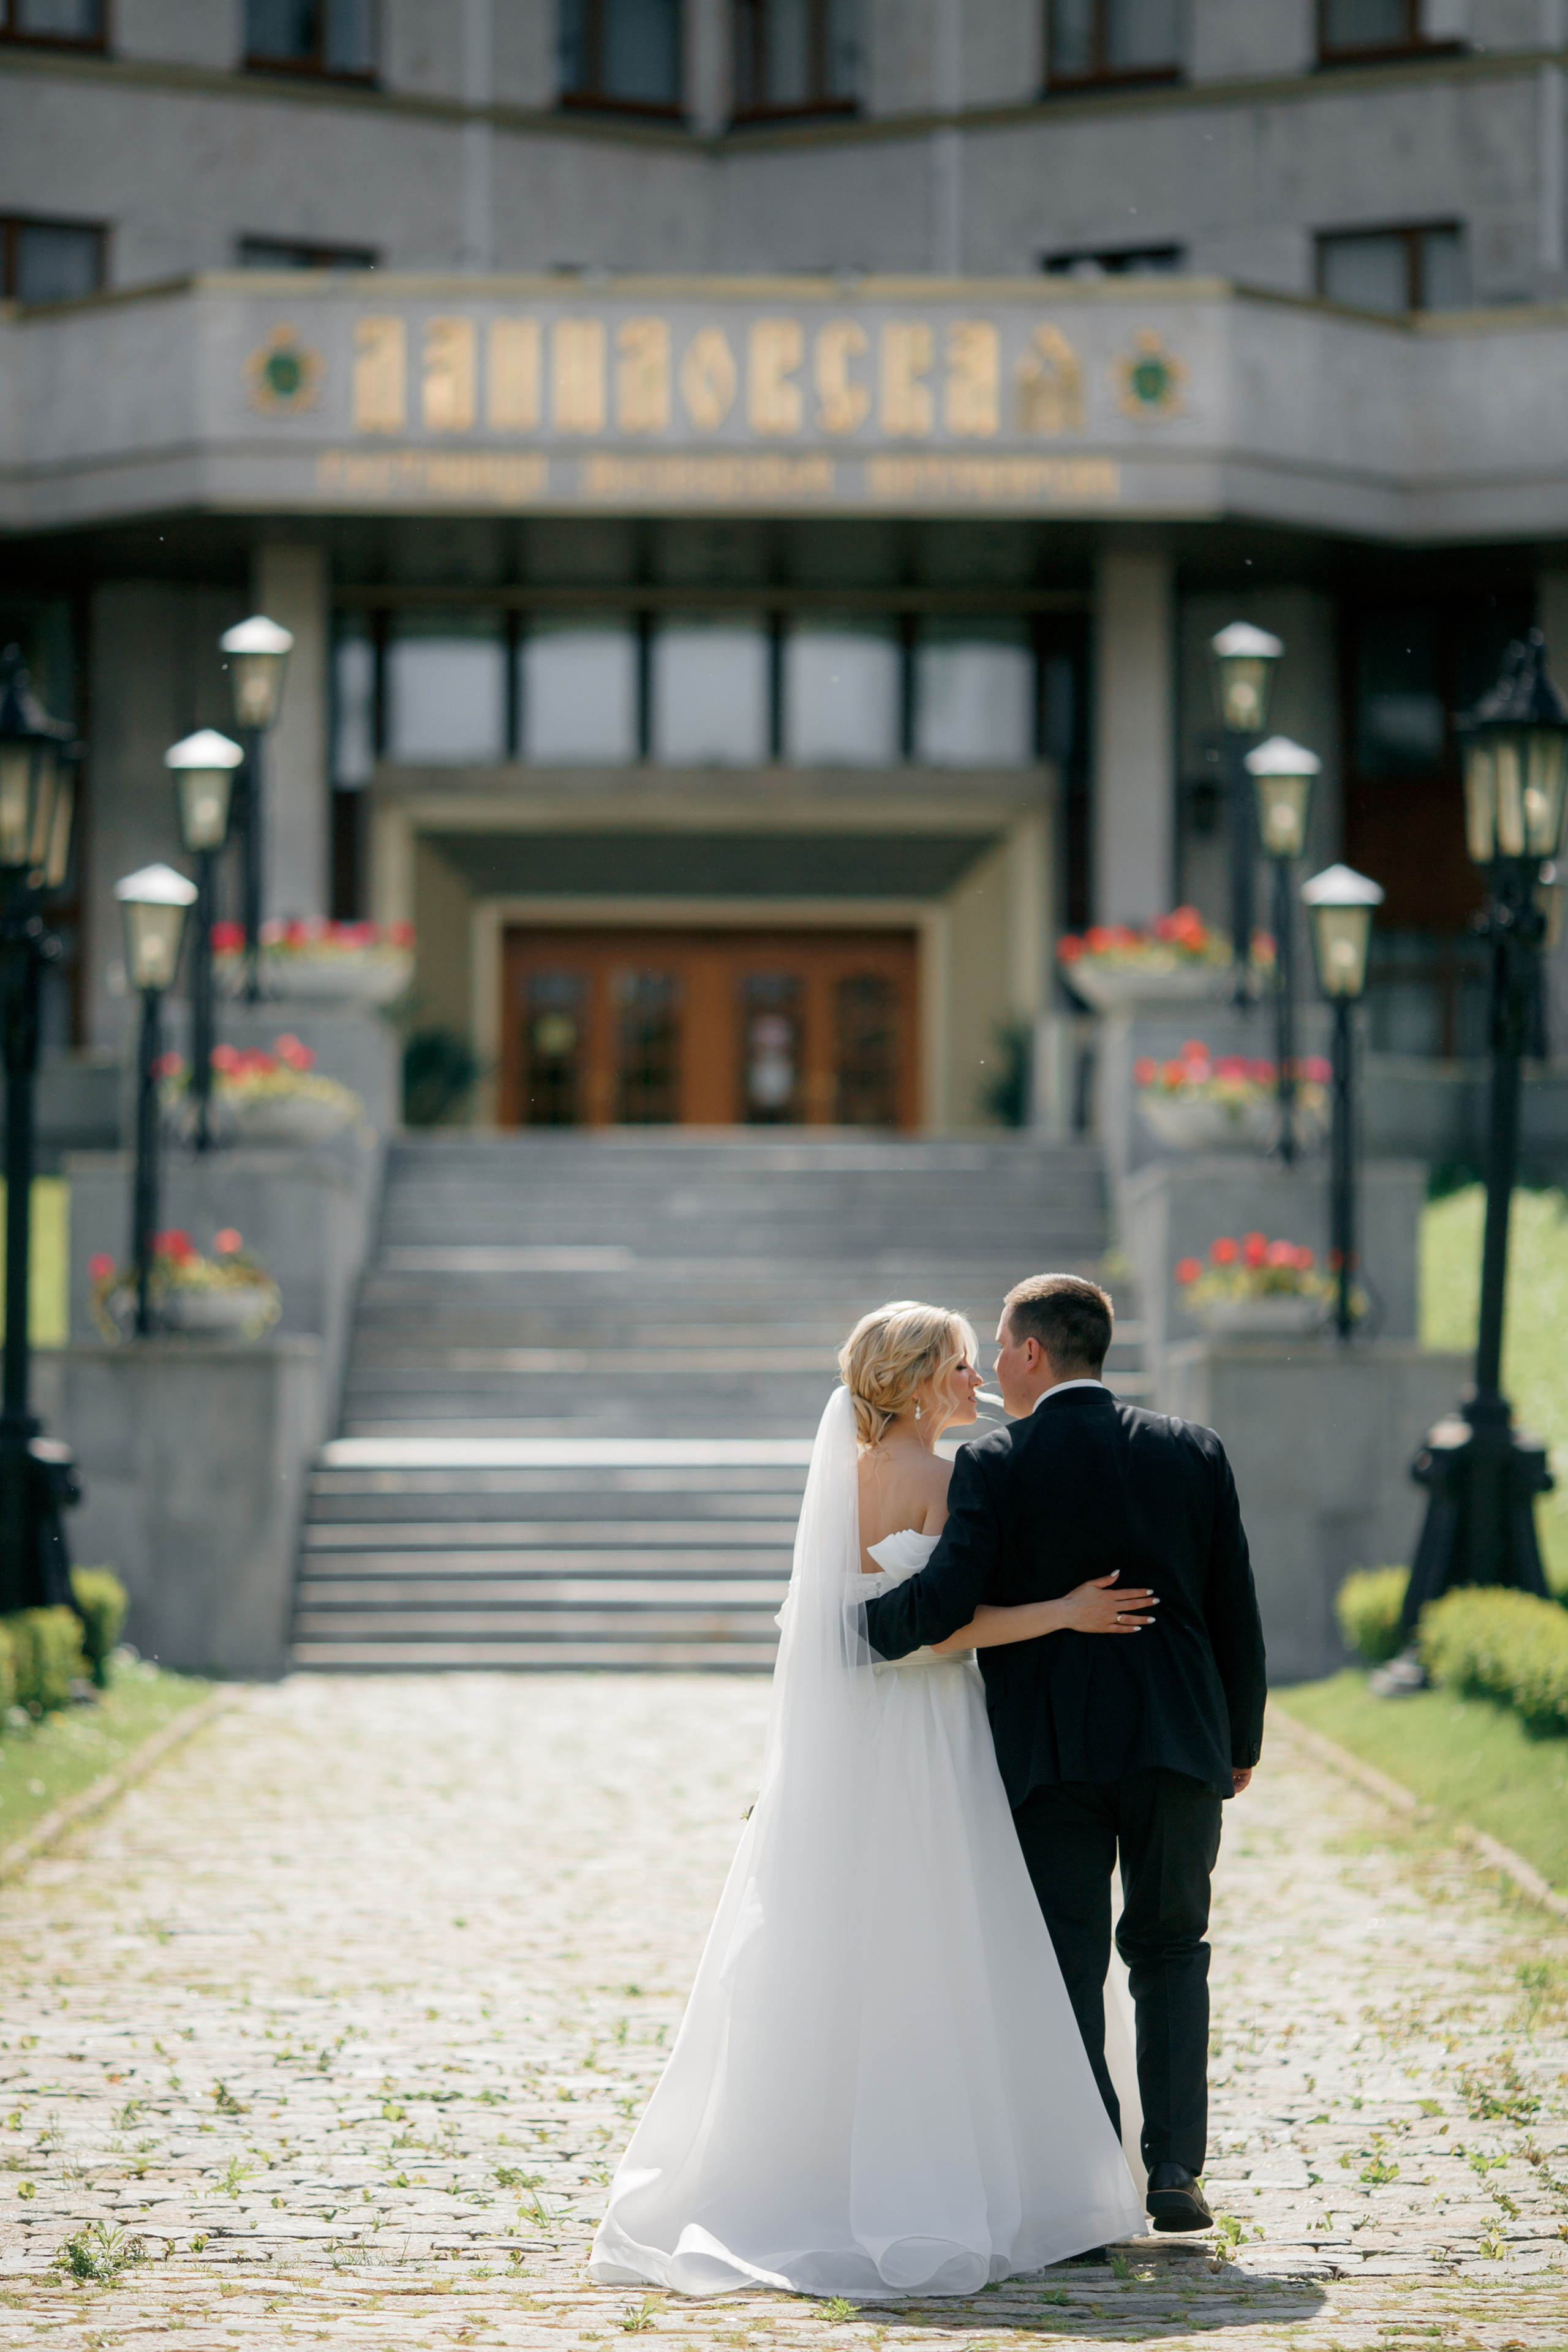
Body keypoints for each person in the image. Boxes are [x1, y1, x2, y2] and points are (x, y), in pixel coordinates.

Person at [589, 1301, 1156, 2298]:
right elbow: (937, 1631)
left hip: (847, 1744)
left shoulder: (835, 1487)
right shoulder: (949, 1477)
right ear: (919, 1379)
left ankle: (812, 2167)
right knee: (944, 1937)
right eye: (959, 1366)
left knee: (842, 1938)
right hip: (932, 1736)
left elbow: (833, 1631)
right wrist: (1065, 1611)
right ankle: (969, 2180)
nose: (974, 1382)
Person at [861, 1273, 1267, 2236]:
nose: (992, 1364)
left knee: (1066, 1962)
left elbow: (949, 1598)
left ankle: (1090, 2176)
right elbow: (1235, 1613)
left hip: (1053, 1754)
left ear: (1033, 1352)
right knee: (1173, 1950)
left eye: (999, 1345)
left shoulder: (998, 1462)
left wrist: (858, 1633)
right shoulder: (1192, 1450)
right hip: (1178, 1744)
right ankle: (1174, 2167)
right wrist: (1238, 1743)